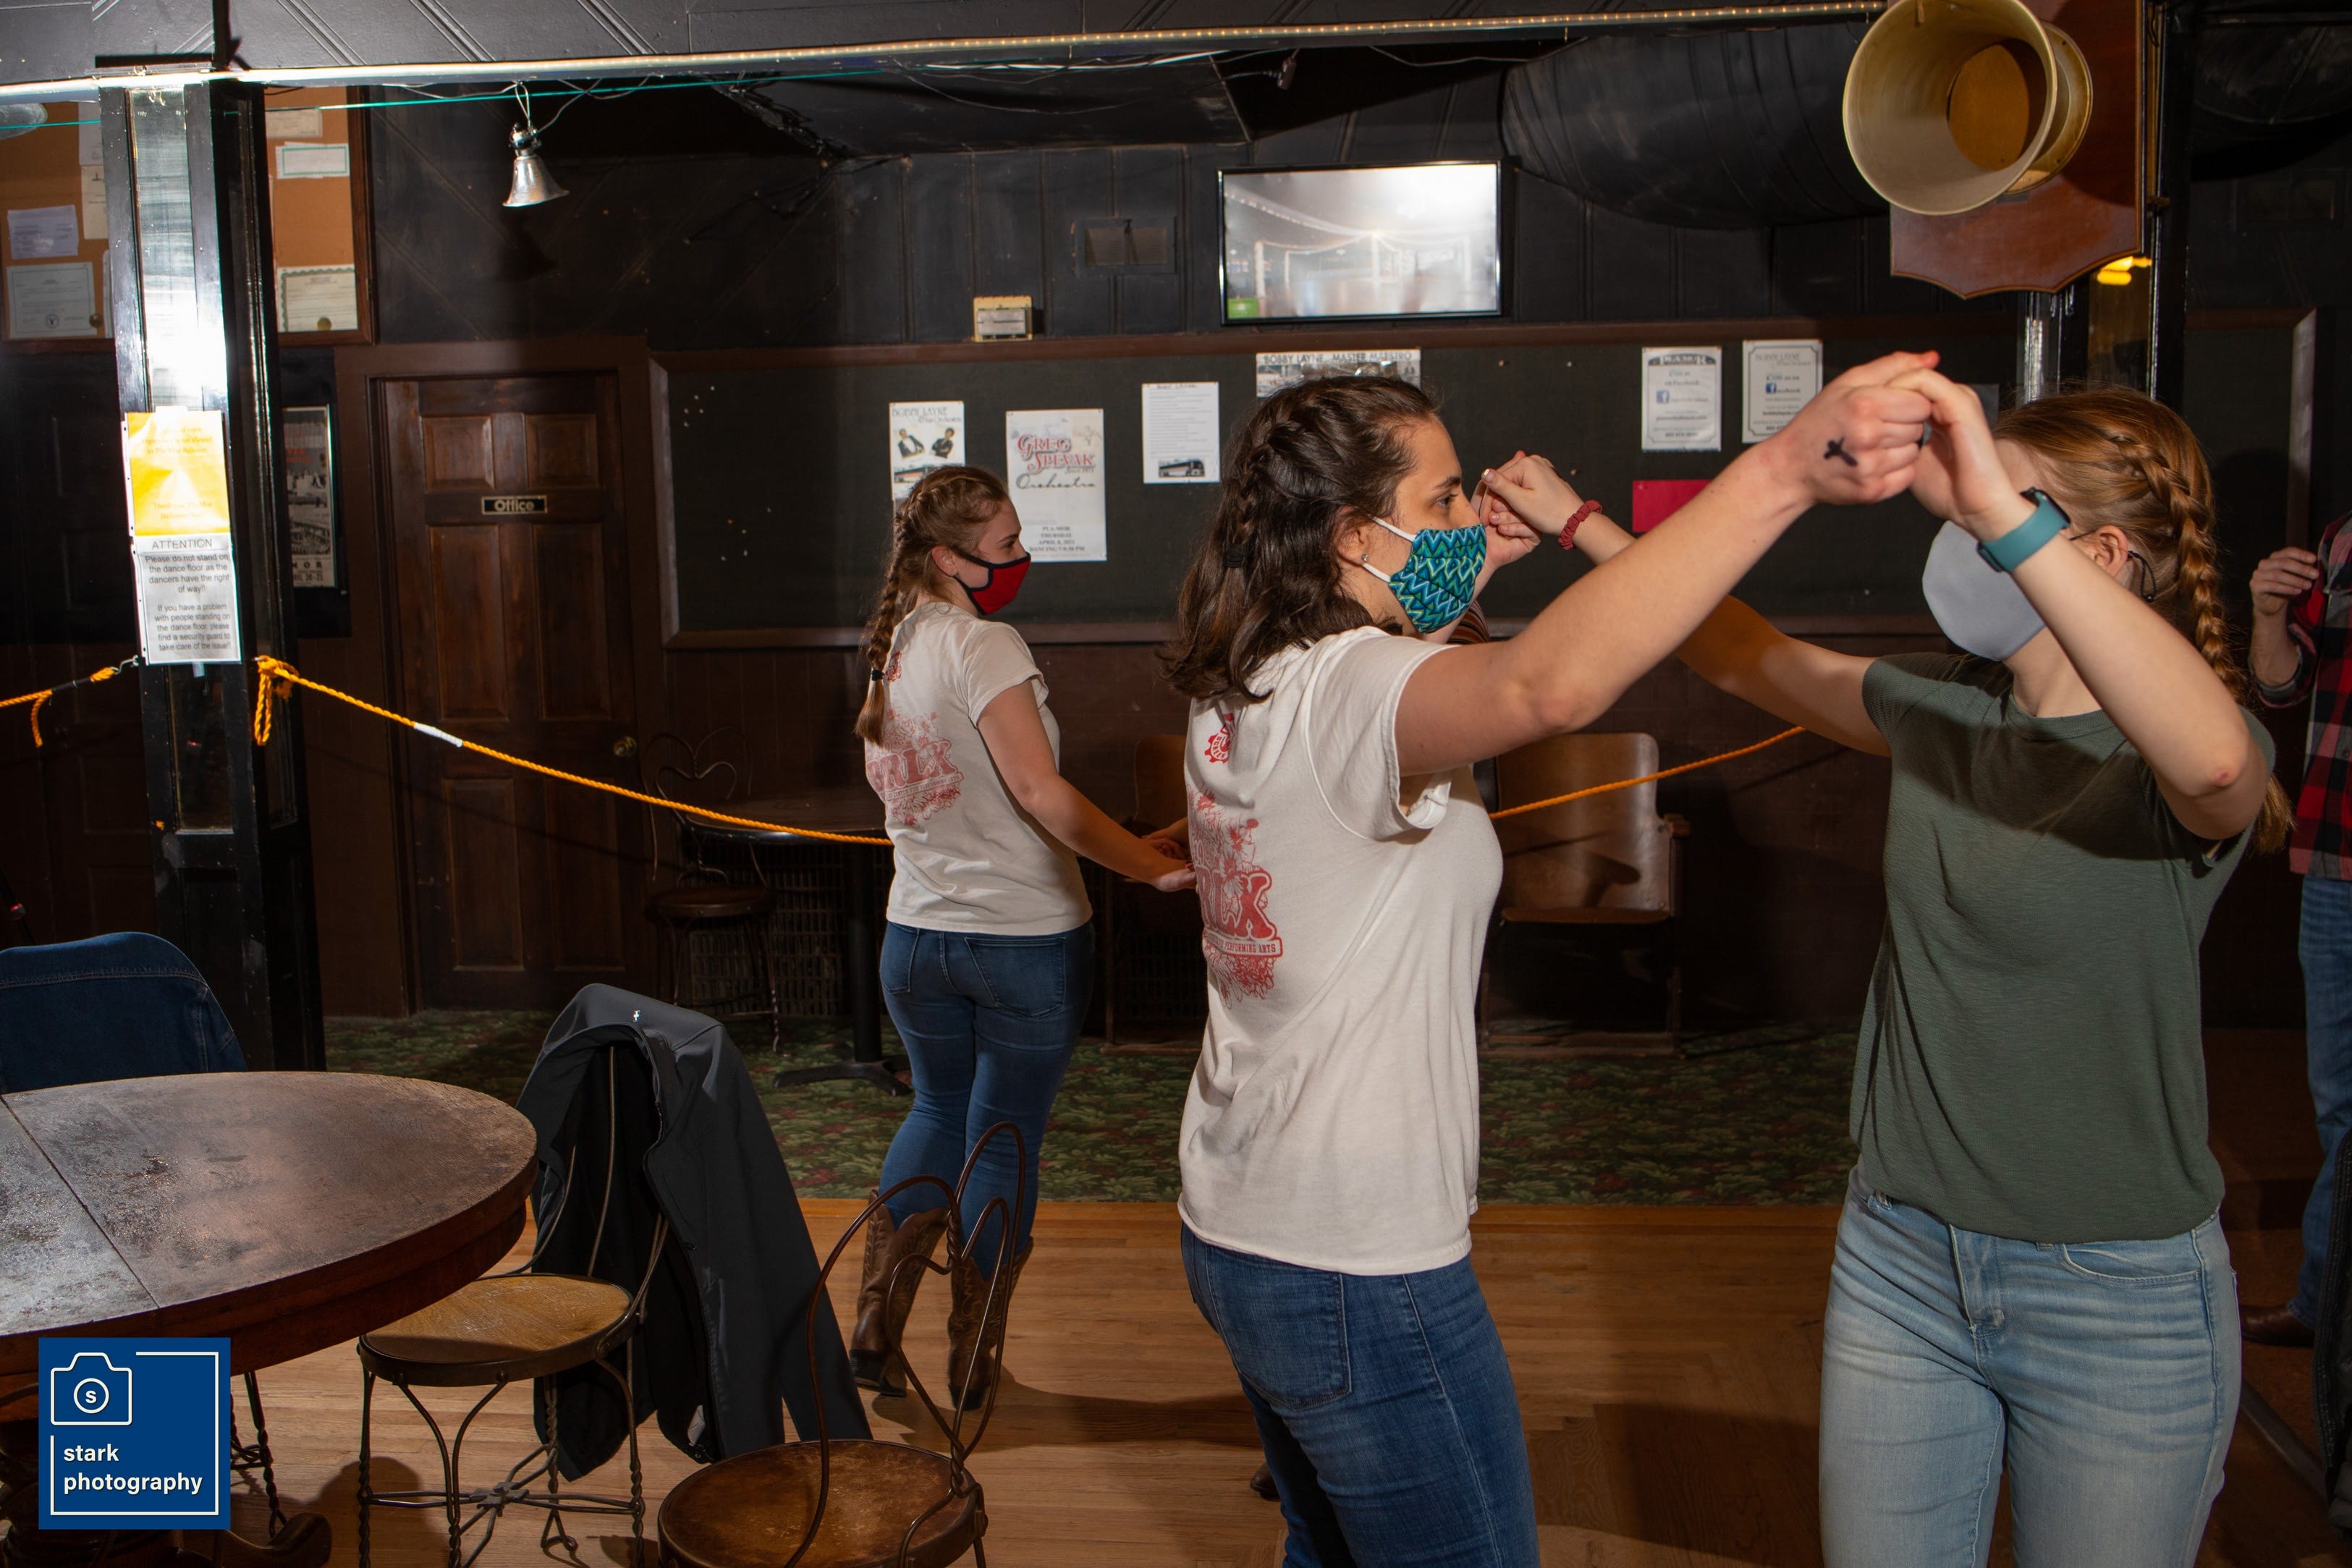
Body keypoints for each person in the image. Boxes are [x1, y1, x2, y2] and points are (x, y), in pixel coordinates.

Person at [1486, 379, 2290, 1568]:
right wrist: (1575, 520)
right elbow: (1743, 652)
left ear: (2102, 557)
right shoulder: (1943, 708)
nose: (1963, 529)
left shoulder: (2173, 751)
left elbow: (2218, 760)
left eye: (1998, 508)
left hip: (2116, 1294)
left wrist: (1997, 510)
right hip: (1900, 1260)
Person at [1162, 360, 1934, 1567]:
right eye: (1442, 499)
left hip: (1244, 1215)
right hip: (1355, 1260)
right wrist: (1783, 469)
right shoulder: (1356, 689)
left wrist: (1464, 569)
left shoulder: (1254, 679)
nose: (1466, 518)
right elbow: (1543, 684)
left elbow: (1409, 684)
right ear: (1355, 534)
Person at [850, 464, 1194, 1403]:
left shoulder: (892, 644)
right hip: (1022, 941)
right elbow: (1039, 792)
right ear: (946, 557)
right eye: (1004, 546)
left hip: (915, 939)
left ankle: (876, 1317)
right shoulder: (985, 643)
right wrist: (1148, 867)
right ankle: (971, 1356)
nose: (1020, 558)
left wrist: (1135, 843)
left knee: (934, 1111)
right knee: (1001, 1137)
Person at [2238, 510, 2352, 1349]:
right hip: (2335, 862)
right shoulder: (2342, 541)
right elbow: (2279, 685)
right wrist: (2268, 613)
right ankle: (2324, 1306)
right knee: (2339, 1103)